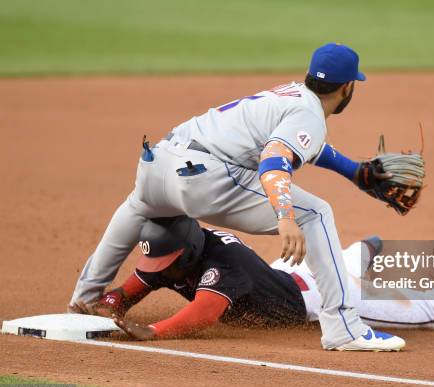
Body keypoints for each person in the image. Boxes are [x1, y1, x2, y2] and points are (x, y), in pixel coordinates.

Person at [69, 43, 408, 351]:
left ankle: (84, 300)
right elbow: (274, 160)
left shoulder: (290, 96)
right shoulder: (309, 115)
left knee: (136, 207)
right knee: (316, 213)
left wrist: (355, 172)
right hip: (203, 177)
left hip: (158, 162)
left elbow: (301, 145)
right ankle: (343, 329)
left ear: (309, 75)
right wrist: (286, 216)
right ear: (348, 87)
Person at [75, 216, 434, 345]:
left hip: (321, 300)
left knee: (432, 315)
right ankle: (361, 252)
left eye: (168, 265)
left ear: (185, 252)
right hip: (286, 276)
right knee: (310, 267)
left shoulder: (219, 266)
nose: (160, 271)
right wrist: (113, 301)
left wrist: (154, 333)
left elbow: (202, 315)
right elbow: (137, 283)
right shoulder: (174, 248)